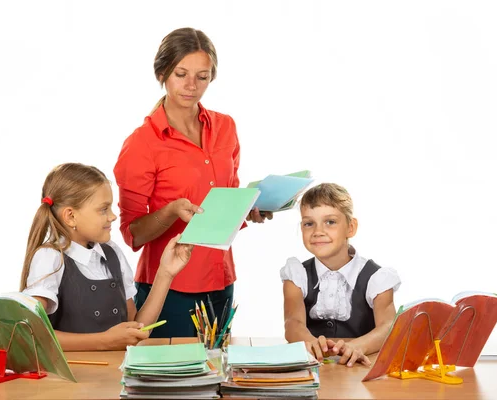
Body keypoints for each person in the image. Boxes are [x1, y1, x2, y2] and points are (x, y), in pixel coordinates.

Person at [113, 27, 271, 338]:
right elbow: (133, 235)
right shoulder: (141, 143)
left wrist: (249, 208)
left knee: (217, 375)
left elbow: (225, 197)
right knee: (174, 382)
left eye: (202, 76)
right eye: (180, 73)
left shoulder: (225, 127)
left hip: (222, 278)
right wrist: (171, 211)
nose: (191, 85)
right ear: (162, 73)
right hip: (170, 287)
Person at [20, 163, 193, 351]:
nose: (112, 216)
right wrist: (105, 340)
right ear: (70, 216)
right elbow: (32, 332)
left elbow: (136, 326)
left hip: (115, 374)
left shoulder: (112, 253)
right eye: (103, 209)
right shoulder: (50, 258)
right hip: (76, 376)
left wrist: (165, 273)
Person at [281, 183, 401, 367]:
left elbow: (388, 326)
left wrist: (359, 345)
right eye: (309, 223)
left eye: (330, 222)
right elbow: (292, 322)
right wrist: (309, 342)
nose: (318, 232)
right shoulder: (297, 275)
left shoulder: (376, 278)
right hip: (315, 368)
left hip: (361, 369)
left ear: (351, 227)